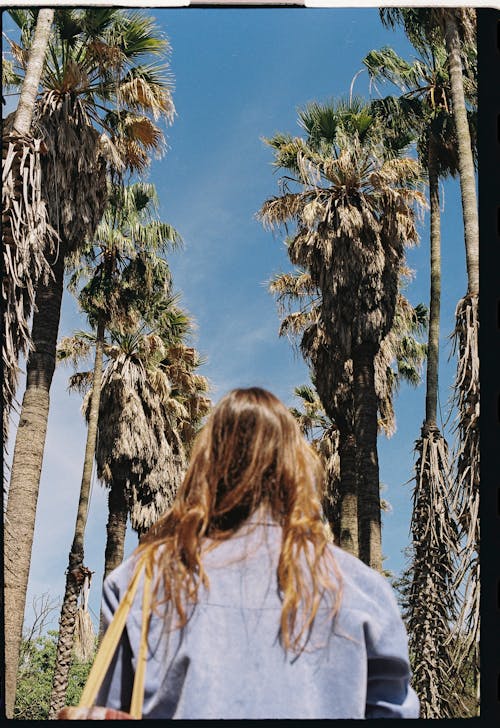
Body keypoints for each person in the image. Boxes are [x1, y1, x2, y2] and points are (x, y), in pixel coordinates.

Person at [96, 387, 420, 719]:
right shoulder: (363, 590)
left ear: (207, 465)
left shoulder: (142, 580)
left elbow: (112, 710)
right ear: (295, 469)